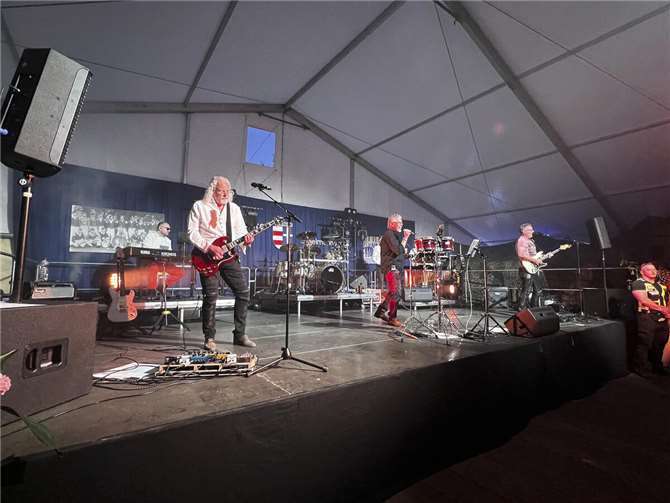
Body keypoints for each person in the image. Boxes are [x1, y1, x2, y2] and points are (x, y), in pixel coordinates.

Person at [188, 176, 255, 351]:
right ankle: (209, 338)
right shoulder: (199, 206)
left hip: (228, 256)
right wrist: (209, 247)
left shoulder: (234, 209)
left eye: (228, 191)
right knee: (211, 297)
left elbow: (241, 231)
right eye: (221, 191)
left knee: (243, 293)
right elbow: (192, 232)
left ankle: (240, 335)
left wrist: (246, 240)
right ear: (212, 191)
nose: (225, 194)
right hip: (206, 257)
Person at [630, 263, 670, 377]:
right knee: (644, 343)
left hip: (661, 318)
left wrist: (667, 311)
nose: (653, 271)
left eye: (654, 269)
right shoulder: (638, 283)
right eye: (649, 269)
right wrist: (663, 309)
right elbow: (644, 300)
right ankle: (640, 368)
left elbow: (666, 300)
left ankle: (657, 366)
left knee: (660, 343)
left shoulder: (661, 285)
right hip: (647, 317)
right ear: (642, 272)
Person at [374, 213, 412, 327]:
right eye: (399, 222)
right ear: (391, 223)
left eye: (401, 222)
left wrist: (408, 255)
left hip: (394, 267)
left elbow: (397, 253)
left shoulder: (393, 235)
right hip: (391, 267)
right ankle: (392, 318)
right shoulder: (389, 234)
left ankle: (381, 312)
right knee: (395, 292)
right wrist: (405, 238)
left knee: (393, 292)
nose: (401, 224)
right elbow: (398, 250)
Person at [516, 223, 544, 310]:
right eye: (530, 230)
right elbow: (521, 254)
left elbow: (531, 255)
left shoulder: (529, 241)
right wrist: (535, 260)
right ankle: (522, 309)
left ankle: (534, 309)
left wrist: (539, 259)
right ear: (523, 231)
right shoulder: (522, 240)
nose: (533, 231)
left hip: (532, 268)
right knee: (526, 290)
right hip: (526, 269)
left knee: (537, 290)